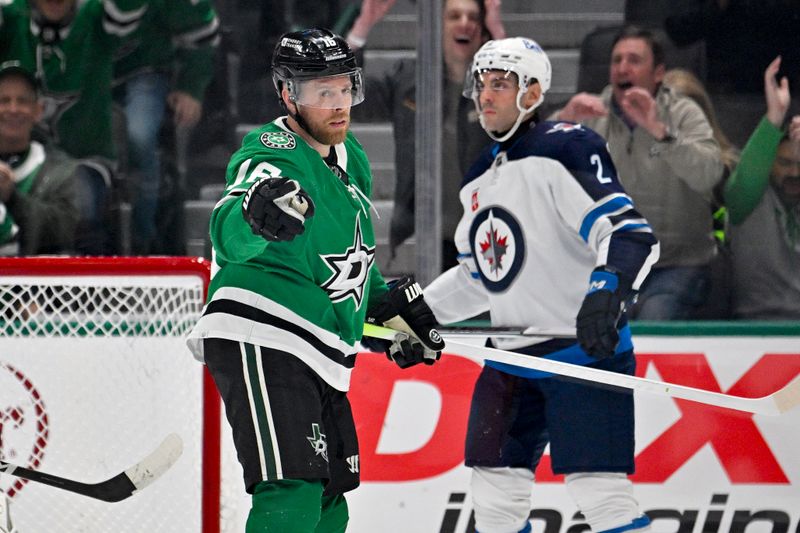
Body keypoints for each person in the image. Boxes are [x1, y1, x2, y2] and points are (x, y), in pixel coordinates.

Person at [186, 28, 444, 532]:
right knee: (292, 492)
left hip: (319, 347)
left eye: (344, 88)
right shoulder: (275, 149)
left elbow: (352, 277)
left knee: (330, 503)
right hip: (262, 332)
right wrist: (254, 216)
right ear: (289, 95)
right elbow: (228, 227)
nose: (338, 104)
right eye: (321, 93)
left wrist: (391, 320)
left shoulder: (354, 163)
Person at [424, 37, 660, 533]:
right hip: (510, 359)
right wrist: (419, 312)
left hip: (583, 353)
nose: (486, 95)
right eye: (481, 83)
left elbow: (629, 233)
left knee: (601, 494)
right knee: (492, 497)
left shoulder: (568, 147)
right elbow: (478, 277)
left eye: (500, 84)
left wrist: (608, 290)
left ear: (532, 93)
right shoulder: (477, 179)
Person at [552, 25, 724, 320]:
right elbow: (530, 164)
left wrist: (661, 133)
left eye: (634, 60)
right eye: (616, 60)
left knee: (653, 320)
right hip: (609, 266)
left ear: (658, 73)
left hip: (677, 265)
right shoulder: (590, 115)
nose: (622, 68)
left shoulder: (682, 113)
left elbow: (710, 173)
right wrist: (563, 120)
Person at [347, 0, 505, 270]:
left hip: (490, 232)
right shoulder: (410, 79)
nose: (464, 23)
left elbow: (524, 105)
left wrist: (498, 33)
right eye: (454, 16)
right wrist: (362, 27)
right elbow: (349, 98)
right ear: (438, 27)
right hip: (426, 236)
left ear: (482, 30)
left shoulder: (495, 88)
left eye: (473, 17)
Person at [0, 0, 148, 254]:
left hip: (87, 158)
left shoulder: (96, 19)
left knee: (84, 209)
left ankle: (90, 288)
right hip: (27, 155)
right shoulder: (12, 18)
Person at [112, 0, 220, 255]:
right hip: (82, 74)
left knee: (139, 135)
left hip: (144, 71)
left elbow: (201, 31)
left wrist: (191, 87)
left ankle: (143, 239)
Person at [725, 56, 800, 320]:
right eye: (784, 163)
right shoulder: (749, 201)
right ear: (769, 164)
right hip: (755, 322)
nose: (794, 172)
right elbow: (747, 178)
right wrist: (774, 119)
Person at [0, 61, 79, 255]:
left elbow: (64, 232)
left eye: (23, 101)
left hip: (34, 283)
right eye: (4, 100)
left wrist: (12, 197)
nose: (13, 109)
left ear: (38, 111)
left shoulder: (60, 170)